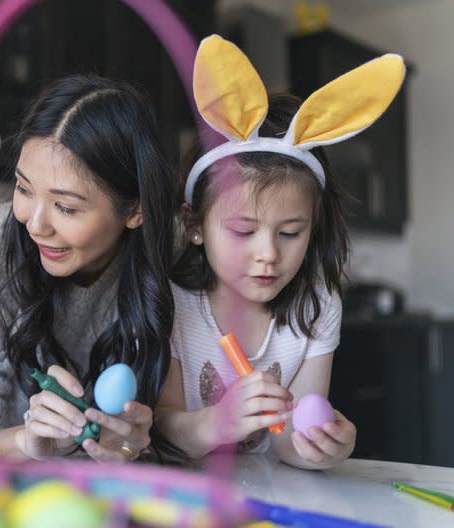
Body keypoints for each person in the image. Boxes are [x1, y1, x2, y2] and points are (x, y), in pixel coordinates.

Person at [156, 35, 405, 469]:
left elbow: (288, 441)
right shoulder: (172, 302)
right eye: (242, 231)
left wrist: (322, 448)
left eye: (290, 233)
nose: (268, 254)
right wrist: (217, 424)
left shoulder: (318, 304)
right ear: (195, 225)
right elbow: (164, 430)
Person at [0, 74, 181, 465]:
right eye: (23, 188)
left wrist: (136, 443)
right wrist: (26, 442)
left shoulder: (173, 250)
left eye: (65, 207)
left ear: (135, 210)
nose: (34, 224)